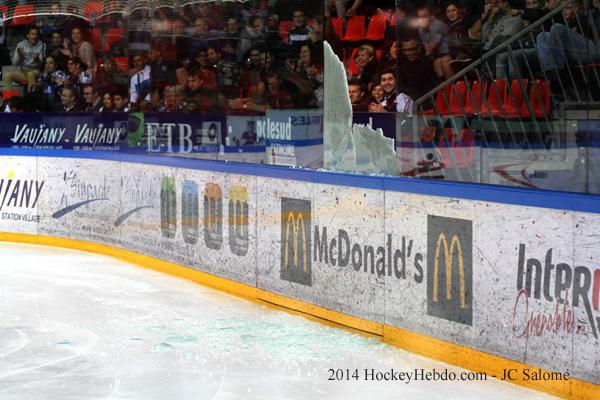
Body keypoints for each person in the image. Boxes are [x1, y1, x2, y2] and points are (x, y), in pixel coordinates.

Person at [4, 26, 46, 92]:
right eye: (32, 34)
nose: (35, 36)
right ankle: (8, 99)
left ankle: (31, 97)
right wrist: (20, 57)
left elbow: (41, 65)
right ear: (27, 35)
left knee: (30, 74)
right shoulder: (20, 45)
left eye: (36, 34)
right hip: (23, 72)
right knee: (7, 76)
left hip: (35, 71)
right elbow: (15, 64)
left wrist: (37, 59)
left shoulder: (42, 45)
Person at [417, 6, 453, 80]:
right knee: (437, 62)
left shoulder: (438, 26)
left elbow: (430, 48)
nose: (422, 19)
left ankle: (453, 87)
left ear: (432, 17)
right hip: (438, 55)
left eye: (424, 16)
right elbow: (426, 47)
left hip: (454, 51)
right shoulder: (420, 29)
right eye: (419, 17)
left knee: (444, 61)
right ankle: (444, 89)